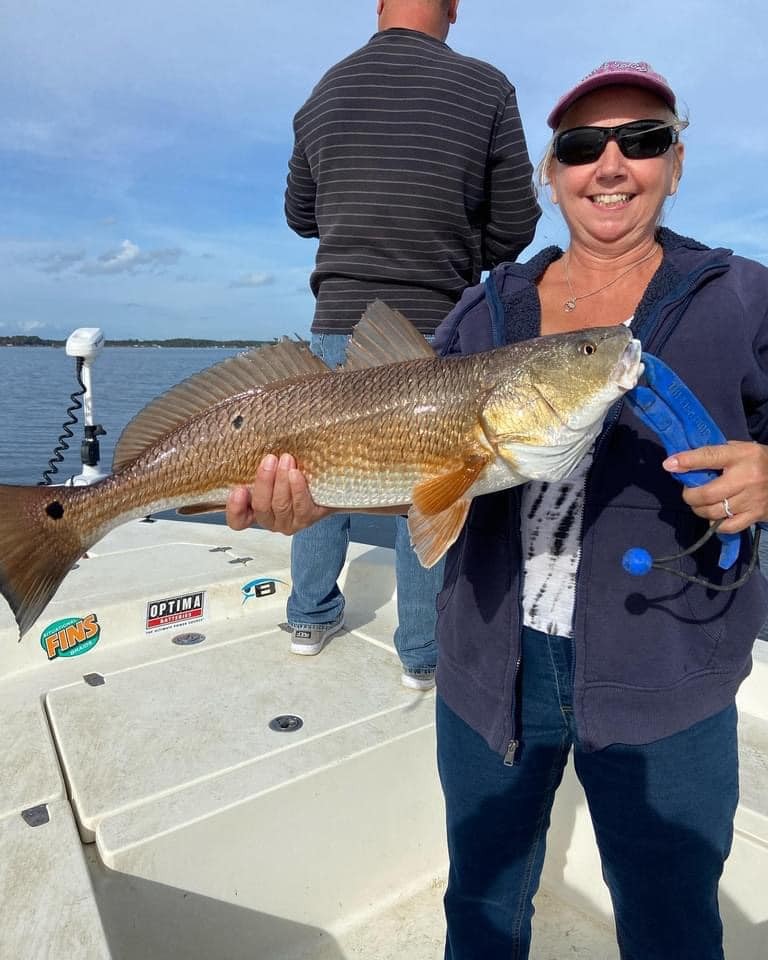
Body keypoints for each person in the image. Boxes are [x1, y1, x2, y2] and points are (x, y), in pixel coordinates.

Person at [226, 60, 768, 958]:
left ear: (676, 161)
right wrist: (303, 501)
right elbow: (405, 469)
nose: (612, 164)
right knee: (479, 905)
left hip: (668, 679)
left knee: (674, 925)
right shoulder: (485, 311)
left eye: (643, 140)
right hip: (487, 675)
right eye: (582, 145)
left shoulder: (743, 297)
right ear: (550, 175)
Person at [275, 0, 540, 689]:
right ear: (454, 9)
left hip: (337, 316)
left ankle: (308, 617)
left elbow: (299, 213)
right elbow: (515, 225)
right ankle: (422, 654)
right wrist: (456, 244)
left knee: (318, 467)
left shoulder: (325, 90)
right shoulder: (486, 87)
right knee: (436, 482)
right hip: (436, 322)